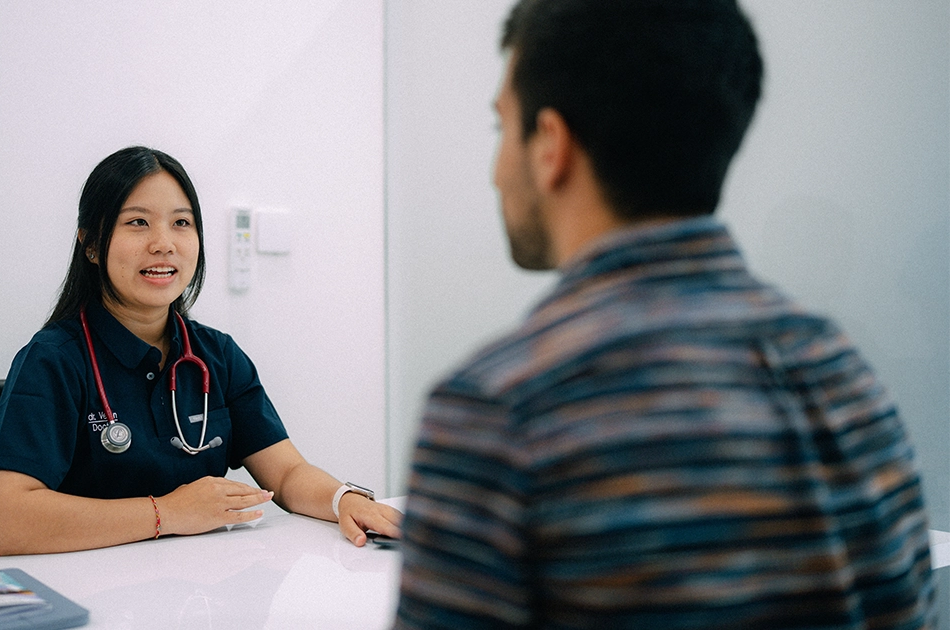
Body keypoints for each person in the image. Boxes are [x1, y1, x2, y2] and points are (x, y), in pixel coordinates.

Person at [395, 1, 934, 628]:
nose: (494, 174)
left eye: (501, 128)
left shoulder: (500, 410)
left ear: (551, 146)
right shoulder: (843, 374)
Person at [0, 146, 401, 555]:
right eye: (138, 222)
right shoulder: (53, 359)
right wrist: (168, 513)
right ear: (90, 244)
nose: (164, 243)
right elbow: (5, 520)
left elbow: (288, 473)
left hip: (198, 585)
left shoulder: (217, 355)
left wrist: (344, 500)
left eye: (181, 223)